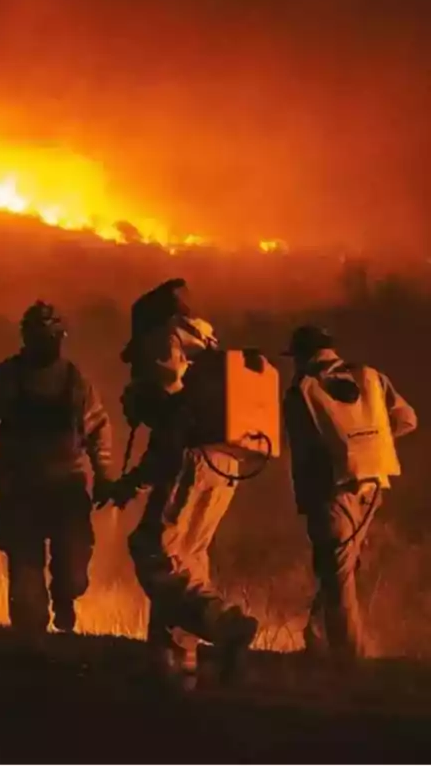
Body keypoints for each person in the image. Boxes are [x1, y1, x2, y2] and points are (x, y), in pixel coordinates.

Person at [103, 278, 259, 688]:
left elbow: (171, 421)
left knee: (155, 551)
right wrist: (133, 484)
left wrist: (142, 404)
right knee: (187, 557)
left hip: (193, 458)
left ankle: (227, 626)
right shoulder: (206, 346)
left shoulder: (164, 340)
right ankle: (174, 662)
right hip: (228, 460)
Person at [0, 301, 116, 638]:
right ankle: (31, 651)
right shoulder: (7, 378)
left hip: (66, 489)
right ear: (27, 338)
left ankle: (64, 600)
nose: (46, 342)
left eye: (51, 335)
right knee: (26, 578)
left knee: (73, 572)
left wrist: (104, 475)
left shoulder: (76, 383)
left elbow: (97, 430)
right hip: (21, 489)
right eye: (39, 335)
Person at [281, 324, 417, 665]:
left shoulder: (303, 389)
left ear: (303, 356)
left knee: (338, 577)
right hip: (373, 487)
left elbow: (303, 451)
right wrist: (370, 446)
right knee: (340, 569)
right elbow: (407, 420)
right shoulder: (370, 376)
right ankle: (316, 639)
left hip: (332, 492)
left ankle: (349, 661)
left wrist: (309, 498)